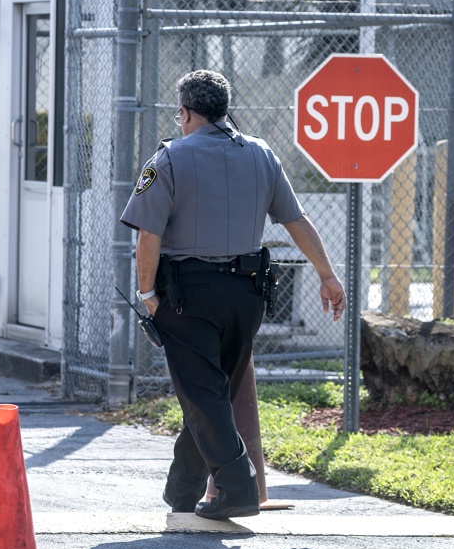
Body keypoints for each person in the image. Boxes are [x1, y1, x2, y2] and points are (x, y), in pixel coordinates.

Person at [119, 69, 346, 520]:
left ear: (184, 112)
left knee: (203, 393)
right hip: (248, 296)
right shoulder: (262, 154)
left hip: (187, 296)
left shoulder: (166, 160)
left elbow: (149, 235)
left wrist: (147, 293)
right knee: (209, 393)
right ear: (224, 109)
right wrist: (328, 275)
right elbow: (296, 221)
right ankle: (183, 491)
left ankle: (237, 488)